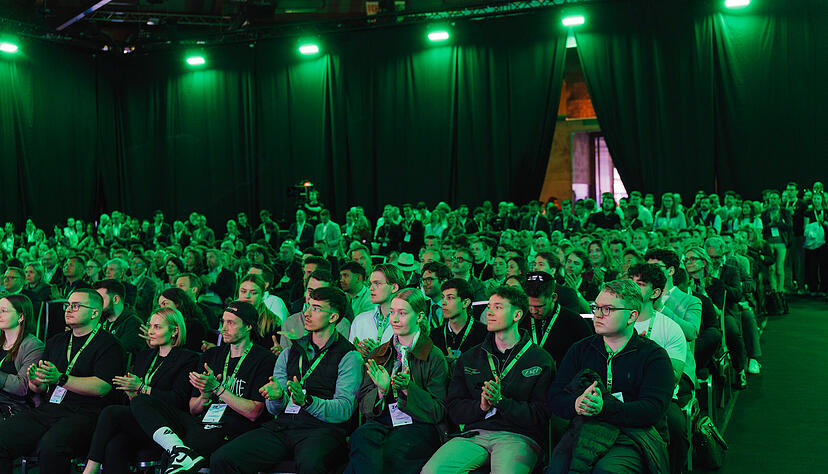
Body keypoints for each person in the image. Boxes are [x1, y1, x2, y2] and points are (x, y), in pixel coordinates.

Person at [210, 287, 362, 474]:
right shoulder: (290, 352)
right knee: (223, 458)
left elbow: (344, 410)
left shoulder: (350, 356)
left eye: (316, 308)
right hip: (283, 426)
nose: (306, 313)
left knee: (309, 465)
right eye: (307, 306)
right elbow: (274, 409)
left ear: (333, 318)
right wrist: (276, 397)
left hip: (322, 430)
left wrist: (307, 402)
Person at [129, 301, 275, 473]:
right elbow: (193, 409)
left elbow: (253, 412)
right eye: (223, 322)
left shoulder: (264, 359)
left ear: (249, 326)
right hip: (203, 422)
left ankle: (182, 452)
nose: (224, 328)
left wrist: (217, 388)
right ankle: (179, 449)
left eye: (231, 323)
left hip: (235, 426)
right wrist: (205, 396)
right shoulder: (211, 355)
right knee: (142, 401)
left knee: (184, 455)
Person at [422, 286, 555, 474]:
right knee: (432, 471)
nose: (490, 312)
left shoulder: (540, 359)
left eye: (498, 307)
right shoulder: (470, 357)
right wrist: (481, 407)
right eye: (489, 306)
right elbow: (454, 408)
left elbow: (541, 415)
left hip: (518, 436)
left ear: (517, 315)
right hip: (475, 434)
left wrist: (502, 402)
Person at [547, 279, 673, 473]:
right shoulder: (581, 350)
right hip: (586, 429)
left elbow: (653, 408)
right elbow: (555, 396)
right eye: (596, 307)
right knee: (558, 469)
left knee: (606, 470)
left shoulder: (653, 356)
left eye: (607, 309)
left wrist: (604, 407)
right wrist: (576, 403)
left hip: (634, 434)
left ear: (631, 316)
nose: (597, 315)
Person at [0, 288, 125, 474]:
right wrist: (36, 381)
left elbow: (102, 387)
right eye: (67, 305)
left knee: (51, 447)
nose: (68, 309)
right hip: (51, 408)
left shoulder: (109, 344)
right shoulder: (57, 341)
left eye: (76, 305)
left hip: (87, 413)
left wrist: (61, 378)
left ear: (95, 312)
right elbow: (42, 388)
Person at [81, 307, 199, 474]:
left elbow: (177, 400)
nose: (150, 331)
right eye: (150, 326)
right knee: (114, 445)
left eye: (157, 327)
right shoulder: (145, 356)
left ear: (174, 331)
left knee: (111, 412)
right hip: (140, 421)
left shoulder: (188, 359)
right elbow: (134, 399)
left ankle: (89, 470)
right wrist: (131, 392)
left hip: (168, 424)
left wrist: (142, 388)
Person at [346, 289, 448, 474]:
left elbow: (438, 411)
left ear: (419, 317)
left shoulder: (434, 355)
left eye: (402, 313)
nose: (394, 318)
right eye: (392, 312)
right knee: (361, 437)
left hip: (418, 422)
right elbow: (364, 405)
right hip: (383, 420)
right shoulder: (379, 353)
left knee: (394, 451)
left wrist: (409, 389)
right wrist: (381, 391)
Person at [521, 272, 592, 366]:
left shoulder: (574, 322)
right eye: (530, 305)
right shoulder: (521, 319)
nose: (534, 311)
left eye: (539, 306)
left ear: (553, 297)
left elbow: (587, 357)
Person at [0, 294, 45, 419]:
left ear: (21, 317)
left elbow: (23, 387)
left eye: (3, 311)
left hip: (13, 407)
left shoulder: (33, 346)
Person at [429, 278, 487, 372]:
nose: (443, 302)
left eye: (450, 298)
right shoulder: (434, 335)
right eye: (443, 297)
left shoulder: (484, 334)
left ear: (465, 303)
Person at [349, 264, 404, 358]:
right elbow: (350, 356)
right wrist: (357, 353)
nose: (371, 288)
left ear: (394, 288)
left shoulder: (406, 320)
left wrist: (378, 353)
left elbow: (409, 360)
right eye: (371, 283)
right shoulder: (360, 320)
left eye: (377, 283)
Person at [93, 280, 145, 366]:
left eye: (101, 299)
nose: (97, 304)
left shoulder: (134, 324)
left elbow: (117, 354)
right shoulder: (98, 320)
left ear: (115, 299)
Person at [157, 287, 210, 354]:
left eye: (164, 304)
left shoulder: (194, 325)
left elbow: (188, 354)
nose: (161, 309)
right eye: (160, 306)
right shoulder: (166, 324)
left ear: (177, 304)